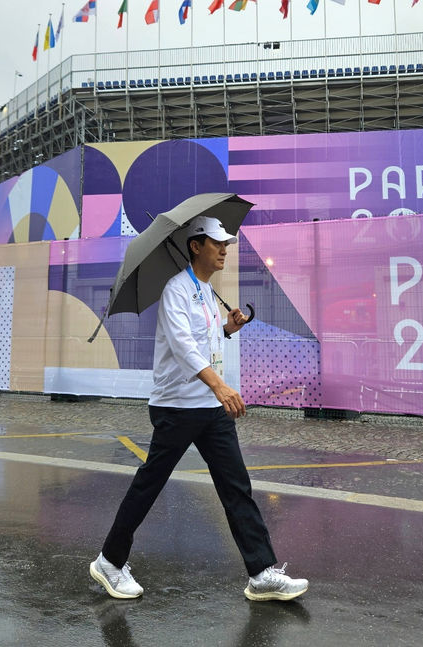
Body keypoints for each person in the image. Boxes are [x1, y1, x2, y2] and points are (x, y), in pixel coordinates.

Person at [90, 215, 308, 603]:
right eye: (216, 243)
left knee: (236, 486)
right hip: (177, 406)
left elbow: (204, 340)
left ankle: (260, 573)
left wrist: (227, 329)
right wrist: (221, 385)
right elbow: (182, 346)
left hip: (208, 408)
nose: (224, 249)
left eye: (226, 243)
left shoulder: (207, 291)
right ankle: (109, 561)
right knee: (149, 484)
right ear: (195, 246)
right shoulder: (176, 290)